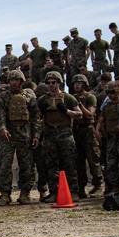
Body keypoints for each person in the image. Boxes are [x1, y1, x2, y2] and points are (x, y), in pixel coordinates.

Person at [0, 70, 40, 206]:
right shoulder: (3, 97)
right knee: (5, 165)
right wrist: (2, 128)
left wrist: (36, 135)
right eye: (11, 80)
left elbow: (35, 117)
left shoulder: (29, 96)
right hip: (8, 136)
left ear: (21, 81)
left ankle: (25, 193)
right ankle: (5, 194)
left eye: (16, 80)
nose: (14, 82)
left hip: (25, 135)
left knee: (27, 165)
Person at [37, 72, 81, 203]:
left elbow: (79, 114)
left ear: (59, 83)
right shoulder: (43, 100)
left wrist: (66, 111)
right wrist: (42, 112)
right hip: (50, 135)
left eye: (53, 82)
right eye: (48, 83)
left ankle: (73, 191)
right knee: (51, 165)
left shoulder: (68, 98)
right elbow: (36, 119)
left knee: (70, 163)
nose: (51, 85)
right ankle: (54, 192)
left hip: (65, 134)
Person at [70, 74, 102, 198]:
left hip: (87, 129)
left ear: (84, 84)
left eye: (79, 83)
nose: (77, 85)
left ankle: (98, 185)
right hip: (75, 130)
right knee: (78, 161)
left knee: (93, 158)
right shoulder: (71, 98)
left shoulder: (90, 97)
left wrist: (79, 105)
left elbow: (90, 115)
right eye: (75, 83)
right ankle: (81, 187)